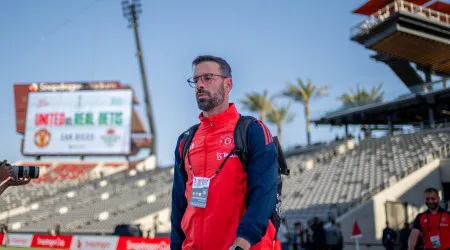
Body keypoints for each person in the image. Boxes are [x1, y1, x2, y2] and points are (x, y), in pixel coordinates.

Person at [170, 55, 278, 250]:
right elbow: (179, 203)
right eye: (196, 80)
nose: (200, 85)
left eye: (208, 78)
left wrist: (244, 241)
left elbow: (265, 193)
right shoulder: (186, 140)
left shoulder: (252, 130)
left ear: (228, 85)